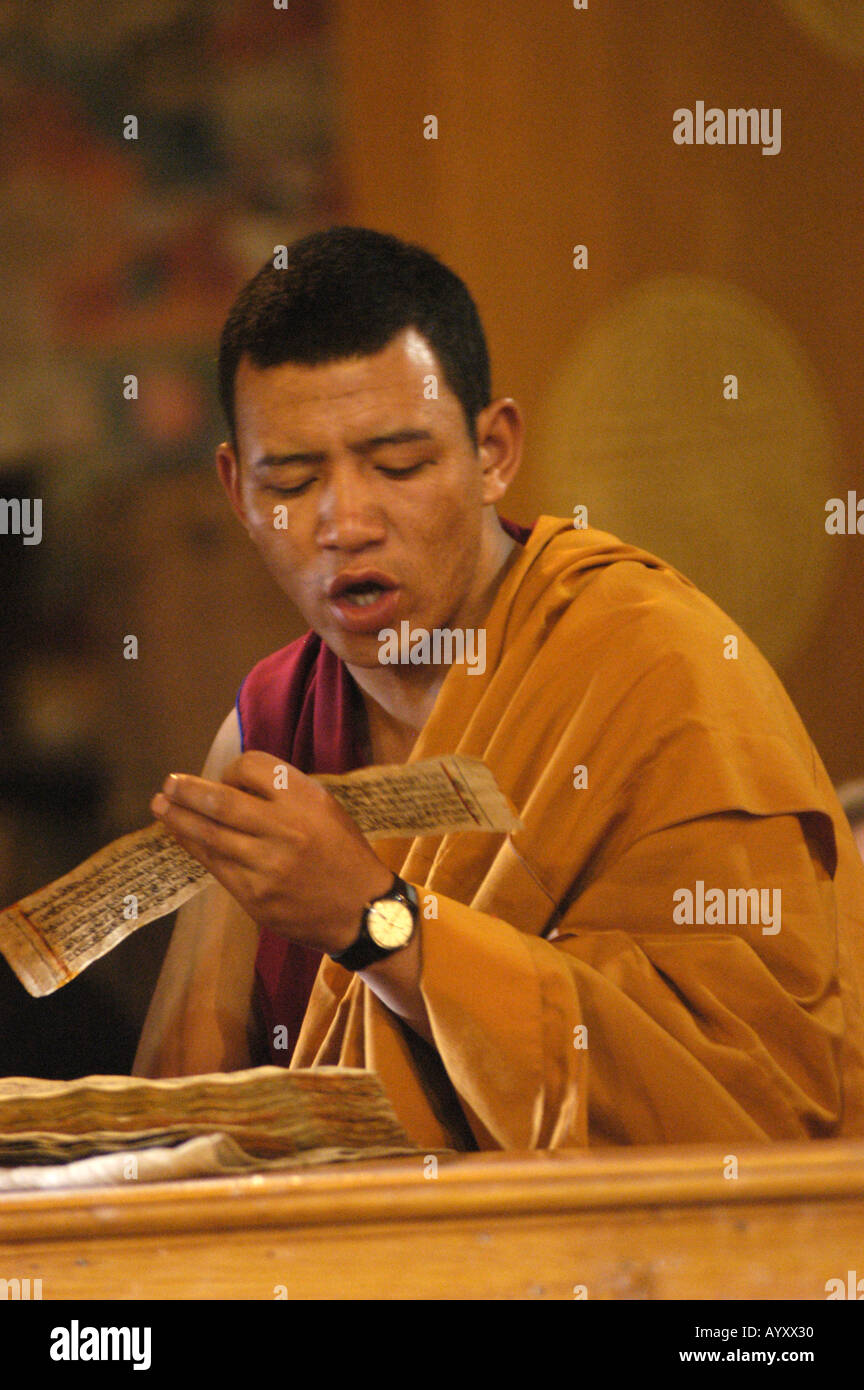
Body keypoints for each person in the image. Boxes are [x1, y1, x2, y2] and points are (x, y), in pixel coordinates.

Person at [134, 227, 864, 1149]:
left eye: (399, 465)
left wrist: (377, 921)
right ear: (237, 490)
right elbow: (180, 1134)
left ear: (494, 452)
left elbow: (755, 1094)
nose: (345, 522)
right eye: (292, 478)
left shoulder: (652, 664)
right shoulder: (269, 727)